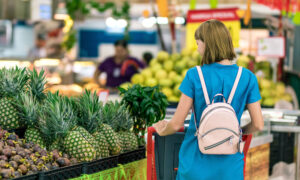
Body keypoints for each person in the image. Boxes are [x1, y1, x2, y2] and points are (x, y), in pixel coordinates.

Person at [153, 20, 264, 180]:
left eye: (198, 43)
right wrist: (238, 132)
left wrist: (162, 129)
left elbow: (176, 123)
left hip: (195, 164)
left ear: (207, 44)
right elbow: (258, 124)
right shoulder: (247, 77)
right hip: (230, 167)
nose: (198, 49)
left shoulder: (194, 75)